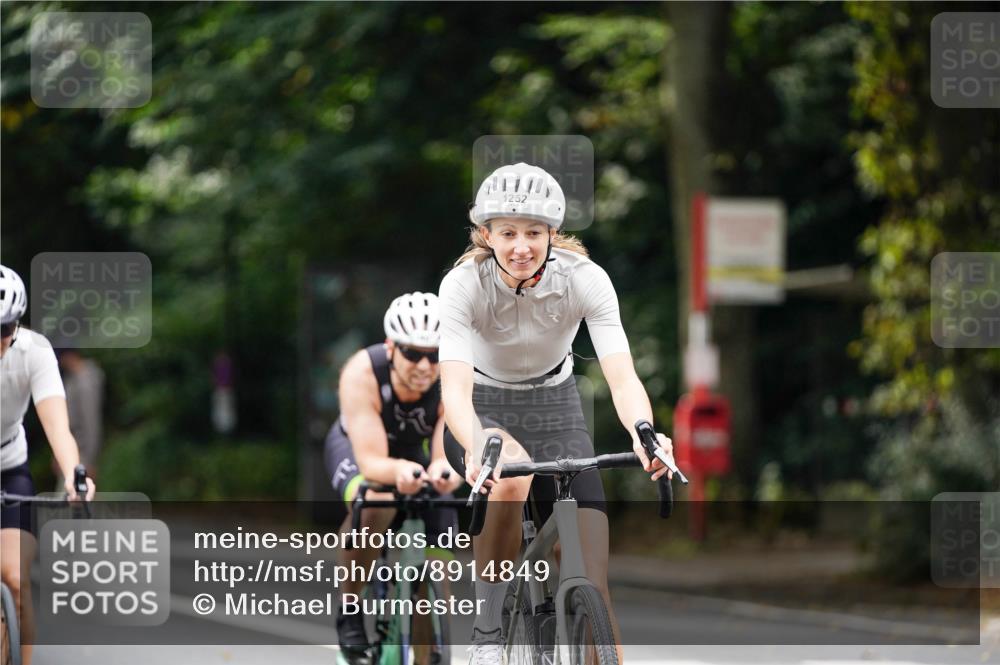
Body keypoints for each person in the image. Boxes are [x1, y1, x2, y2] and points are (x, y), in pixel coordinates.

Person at [437, 163, 674, 665]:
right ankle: (487, 630)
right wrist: (476, 445)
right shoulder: (463, 284)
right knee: (510, 479)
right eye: (508, 233)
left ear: (552, 233)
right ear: (486, 235)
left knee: (591, 578)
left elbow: (622, 377)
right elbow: (455, 390)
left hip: (557, 409)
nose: (521, 246)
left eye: (533, 232)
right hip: (485, 409)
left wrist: (645, 432)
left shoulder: (584, 279)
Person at [323, 291, 463, 663]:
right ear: (391, 348)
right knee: (376, 501)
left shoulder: (453, 376)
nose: (424, 365)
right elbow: (371, 461)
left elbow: (445, 452)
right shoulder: (362, 371)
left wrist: (446, 473)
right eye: (413, 353)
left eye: (434, 355)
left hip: (413, 455)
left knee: (437, 569)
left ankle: (429, 650)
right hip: (357, 449)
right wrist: (399, 470)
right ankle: (350, 610)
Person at [0, 265, 96, 665]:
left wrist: (75, 475)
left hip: (10, 467)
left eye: (4, 329)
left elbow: (58, 426)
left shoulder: (34, 352)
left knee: (15, 579)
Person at [54, 348, 105, 485]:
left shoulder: (84, 383)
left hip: (80, 455)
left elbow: (91, 423)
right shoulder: (73, 379)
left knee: (70, 494)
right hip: (71, 450)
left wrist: (89, 461)